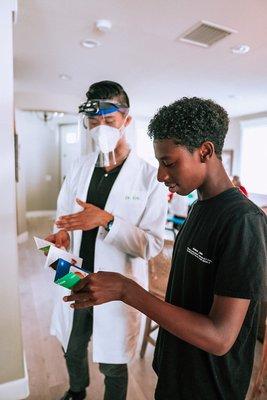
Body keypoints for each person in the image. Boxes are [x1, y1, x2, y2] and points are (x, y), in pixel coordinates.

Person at [65, 97, 267, 400]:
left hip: (210, 387)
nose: (160, 175)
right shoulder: (199, 206)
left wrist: (126, 290)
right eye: (159, 162)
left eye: (169, 162)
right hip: (176, 374)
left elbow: (220, 337)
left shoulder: (243, 222)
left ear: (206, 151)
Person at [45, 81, 167, 400]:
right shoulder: (79, 166)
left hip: (113, 284)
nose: (100, 128)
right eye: (93, 122)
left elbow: (152, 244)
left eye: (108, 121)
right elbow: (63, 214)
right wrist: (61, 234)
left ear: (126, 120)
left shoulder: (148, 178)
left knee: (112, 363)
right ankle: (76, 391)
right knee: (72, 346)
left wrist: (107, 220)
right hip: (72, 272)